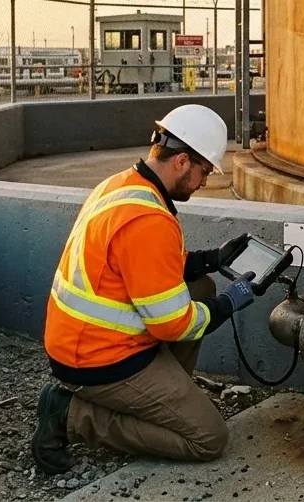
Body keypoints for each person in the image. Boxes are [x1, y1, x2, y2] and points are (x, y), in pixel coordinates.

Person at [31, 104, 259, 475]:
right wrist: (228, 304)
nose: (204, 181)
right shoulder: (149, 220)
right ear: (183, 161)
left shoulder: (123, 185)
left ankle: (163, 402)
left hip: (82, 342)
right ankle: (70, 415)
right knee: (208, 438)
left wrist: (213, 259)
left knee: (199, 286)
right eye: (204, 171)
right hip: (98, 360)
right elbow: (174, 325)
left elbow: (147, 270)